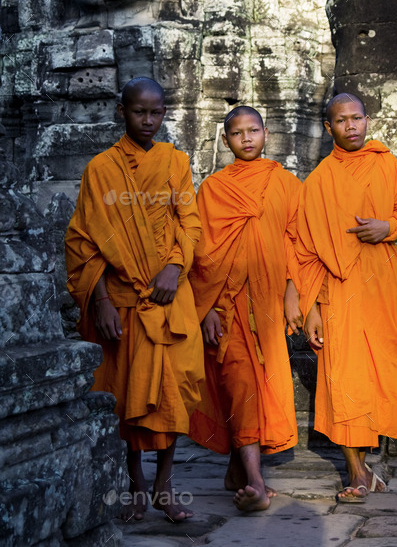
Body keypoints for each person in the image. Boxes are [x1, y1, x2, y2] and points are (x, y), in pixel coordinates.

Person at [65, 77, 204, 523]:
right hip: (122, 300)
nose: (149, 120)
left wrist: (175, 266)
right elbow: (83, 242)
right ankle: (136, 484)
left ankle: (165, 484)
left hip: (170, 295)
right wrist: (100, 300)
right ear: (121, 111)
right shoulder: (100, 170)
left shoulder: (175, 161)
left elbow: (191, 223)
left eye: (157, 112)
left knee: (174, 391)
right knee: (126, 392)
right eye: (140, 111)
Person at [297, 92, 397, 502]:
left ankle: (367, 462)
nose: (351, 126)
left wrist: (388, 227)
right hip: (338, 292)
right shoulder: (318, 181)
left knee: (384, 369)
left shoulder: (387, 162)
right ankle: (356, 471)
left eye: (357, 118)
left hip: (379, 288)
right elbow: (304, 251)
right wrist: (309, 310)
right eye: (342, 121)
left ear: (367, 120)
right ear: (328, 127)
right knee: (342, 377)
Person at [188, 105, 303, 512]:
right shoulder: (213, 189)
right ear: (225, 141)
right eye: (238, 133)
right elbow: (200, 256)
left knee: (262, 381)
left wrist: (293, 293)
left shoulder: (285, 183)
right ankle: (256, 481)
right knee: (239, 381)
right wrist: (203, 310)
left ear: (267, 133)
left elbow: (296, 242)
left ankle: (240, 465)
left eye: (254, 130)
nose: (247, 138)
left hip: (268, 303)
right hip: (225, 305)